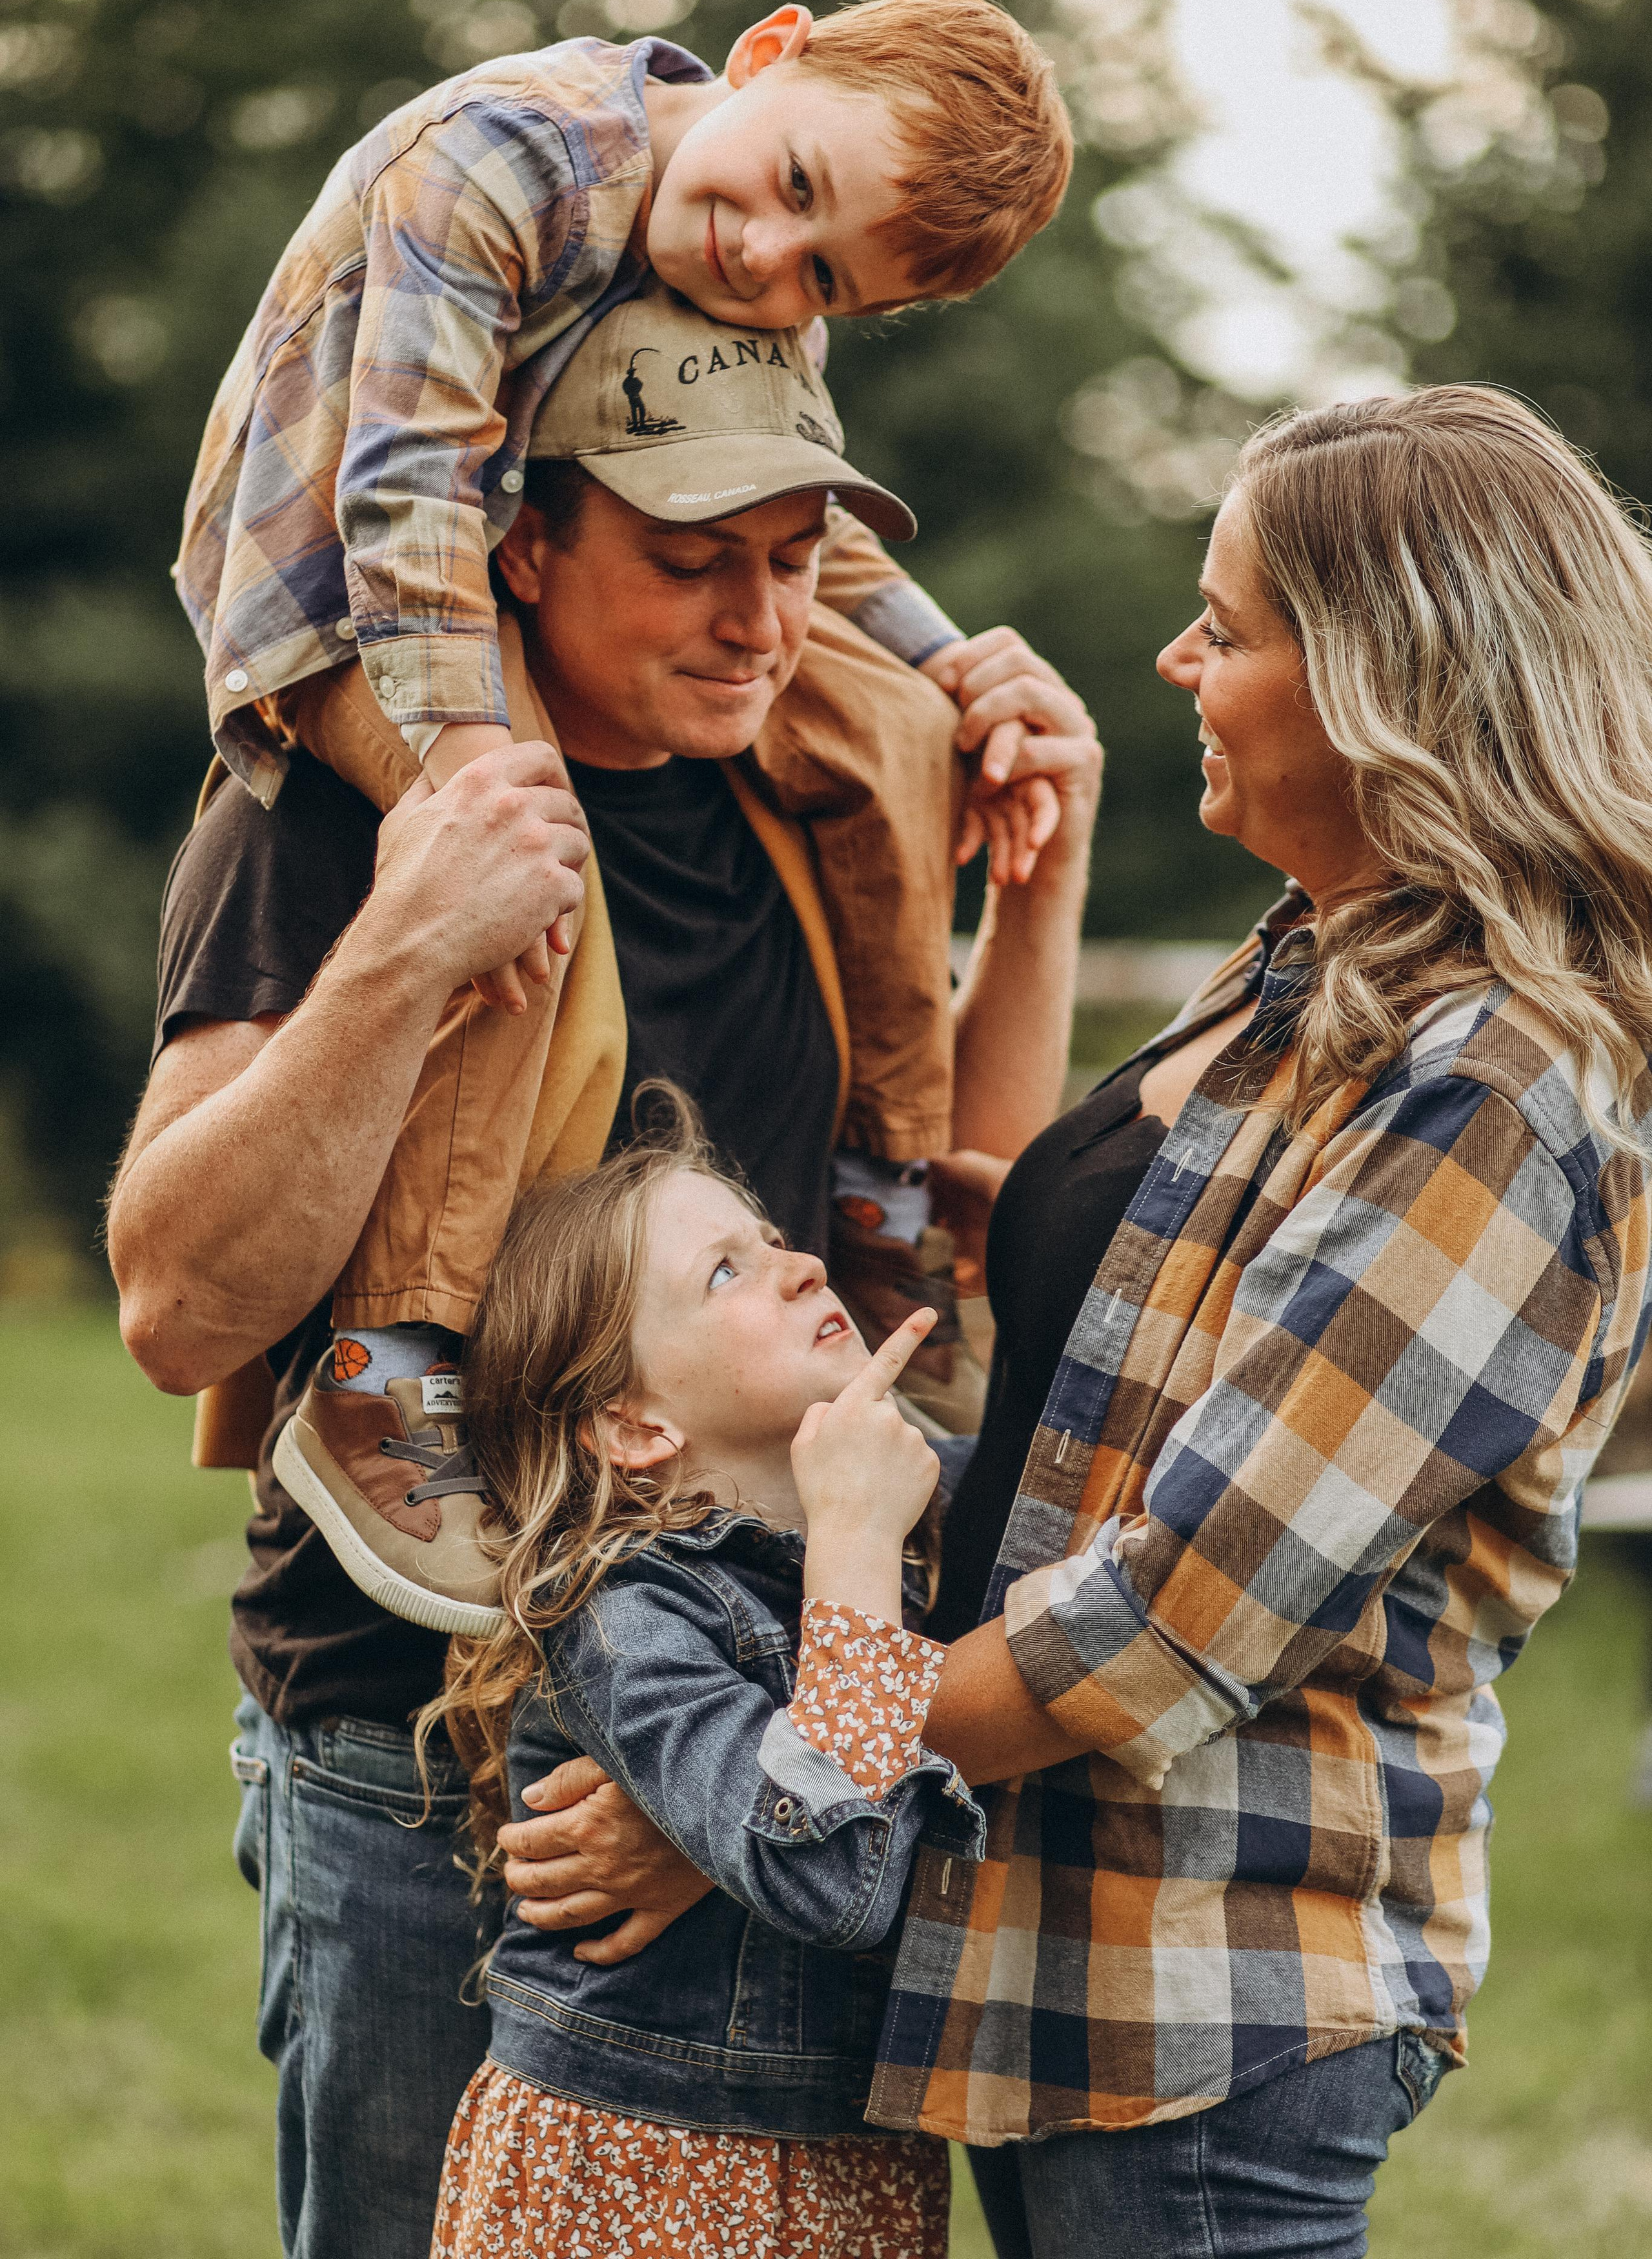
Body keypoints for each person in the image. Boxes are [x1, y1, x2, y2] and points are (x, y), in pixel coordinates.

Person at [503, 385, 1652, 2257]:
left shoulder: (1496, 1081)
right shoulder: (1306, 965)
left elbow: (1179, 1605)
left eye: (1237, 623)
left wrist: (751, 1785)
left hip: (1203, 1982)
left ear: (1386, 677)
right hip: (1064, 1965)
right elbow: (1111, 1389)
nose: (1180, 655)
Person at [109, 315, 1101, 2255]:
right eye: (689, 555)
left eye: (793, 558)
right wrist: (404, 952)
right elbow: (172, 1307)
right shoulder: (332, 811)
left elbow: (922, 1223)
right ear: (527, 546)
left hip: (750, 1735)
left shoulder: (798, 806)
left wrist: (1037, 885)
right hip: (420, 1761)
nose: (757, 618)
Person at [174, 0, 1075, 1436]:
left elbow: (814, 536)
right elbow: (413, 488)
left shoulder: (751, 292)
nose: (767, 259)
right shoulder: (499, 162)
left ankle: (887, 1223)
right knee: (504, 853)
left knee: (895, 725)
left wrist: (953, 674)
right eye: (792, 187)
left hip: (770, 1589)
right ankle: (391, 1367)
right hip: (342, 596)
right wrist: (476, 779)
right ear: (765, 53)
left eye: (825, 280)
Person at [420, 1094, 980, 2258]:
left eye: (771, 1237)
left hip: (846, 2165)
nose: (800, 1263)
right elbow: (833, 1877)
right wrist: (858, 1542)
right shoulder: (629, 1615)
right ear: (632, 1426)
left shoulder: (905, 1510)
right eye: (726, 1271)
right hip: (643, 2168)